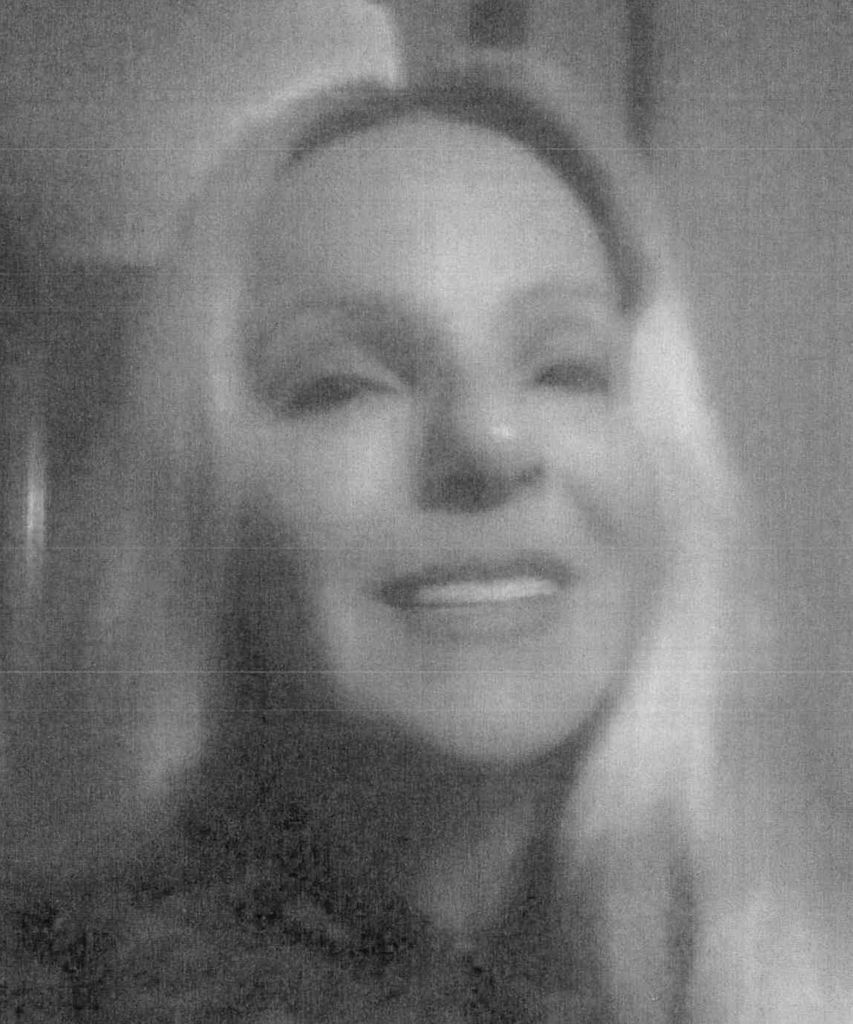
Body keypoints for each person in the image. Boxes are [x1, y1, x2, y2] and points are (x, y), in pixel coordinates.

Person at [2, 47, 832, 1024]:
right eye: (344, 383)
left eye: (564, 369)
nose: (489, 441)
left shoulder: (794, 948)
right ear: (205, 512)